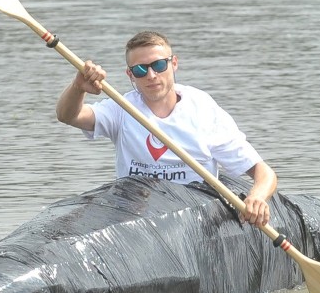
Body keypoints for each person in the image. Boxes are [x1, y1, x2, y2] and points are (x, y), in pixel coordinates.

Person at [56, 31, 277, 227]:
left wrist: (257, 198)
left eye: (159, 65)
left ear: (174, 63)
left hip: (192, 217)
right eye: (141, 70)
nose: (151, 76)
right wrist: (78, 88)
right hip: (137, 214)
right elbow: (68, 116)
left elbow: (263, 173)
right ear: (130, 75)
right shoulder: (122, 108)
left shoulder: (202, 109)